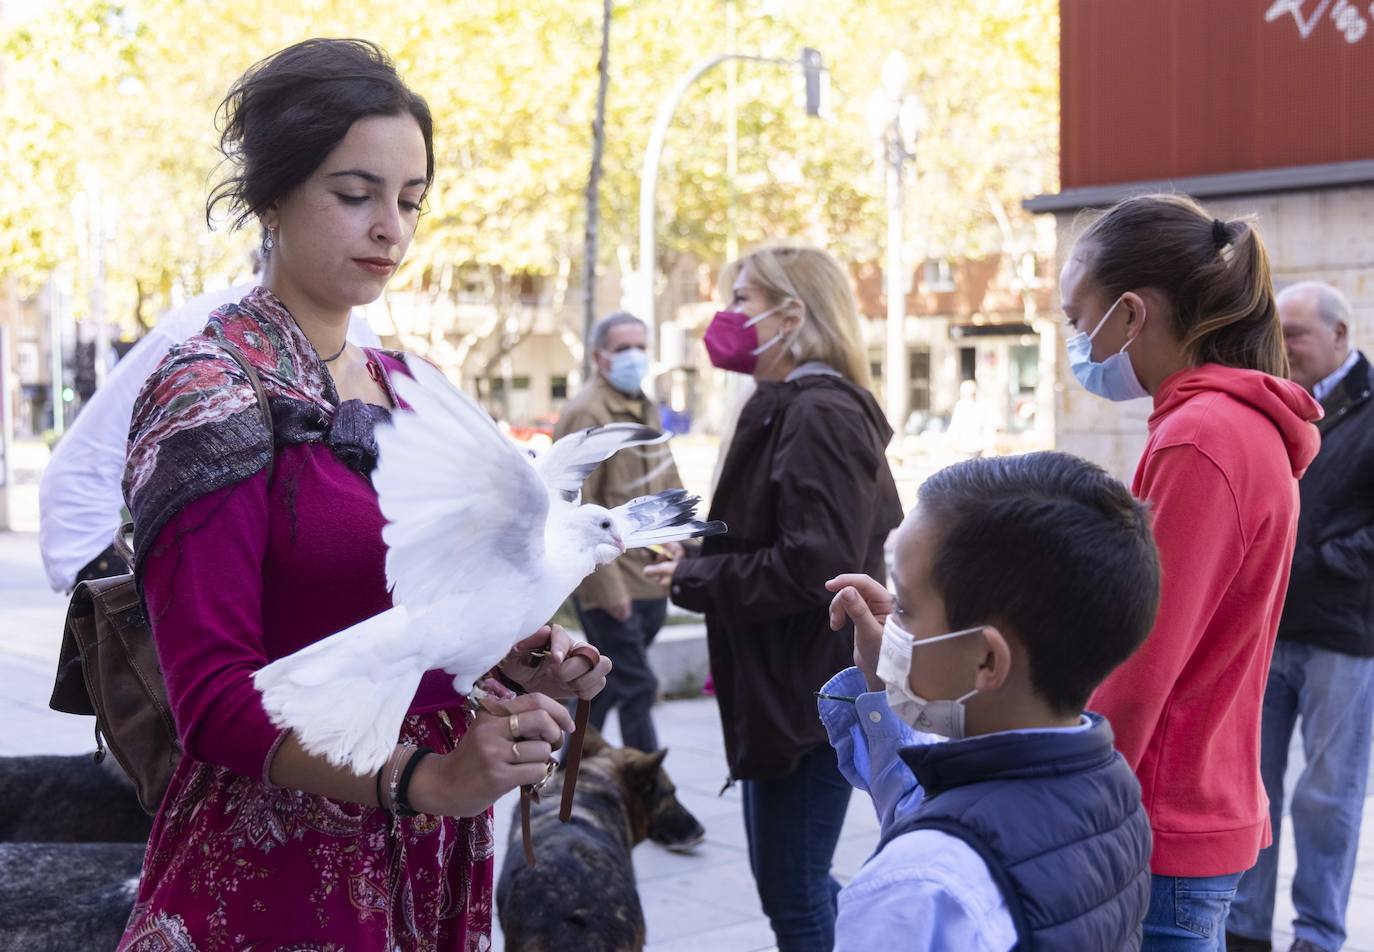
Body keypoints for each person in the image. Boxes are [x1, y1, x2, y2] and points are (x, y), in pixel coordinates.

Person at [115, 39, 610, 951]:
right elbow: (213, 699)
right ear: (273, 195)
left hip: (434, 851)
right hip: (275, 873)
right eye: (356, 195)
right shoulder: (210, 388)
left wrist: (512, 655)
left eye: (411, 201)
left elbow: (414, 614)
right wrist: (427, 778)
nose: (393, 228)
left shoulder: (408, 382)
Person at [1059, 194, 1321, 949]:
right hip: (1191, 806)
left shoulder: (1201, 437)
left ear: (1132, 314)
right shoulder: (1226, 425)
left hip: (1163, 818)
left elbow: (1143, 661)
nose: (1077, 340)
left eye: (1080, 320)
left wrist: (1060, 803)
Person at [645, 244, 903, 952]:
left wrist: (692, 580)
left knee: (793, 896)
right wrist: (697, 558)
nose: (728, 317)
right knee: (792, 886)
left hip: (805, 695)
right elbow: (784, 536)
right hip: (783, 691)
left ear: (794, 315)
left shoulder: (818, 412)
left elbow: (814, 567)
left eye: (744, 300)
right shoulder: (791, 405)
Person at [822, 451, 1159, 951]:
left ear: (986, 660)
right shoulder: (1109, 782)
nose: (892, 626)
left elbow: (935, 845)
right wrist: (883, 686)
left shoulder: (920, 885)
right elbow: (934, 810)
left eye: (907, 610)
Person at [37, 281, 380, 593]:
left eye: (409, 208)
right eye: (351, 206)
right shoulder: (197, 334)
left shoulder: (370, 349)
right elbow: (79, 469)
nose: (389, 230)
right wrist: (131, 595)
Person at [1228, 282, 1374, 952]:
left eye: (1296, 333)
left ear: (1341, 336)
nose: (1282, 346)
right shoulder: (1276, 405)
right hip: (1266, 628)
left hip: (1343, 636)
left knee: (1326, 797)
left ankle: (1317, 934)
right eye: (1277, 331)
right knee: (1248, 786)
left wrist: (1309, 557)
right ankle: (1246, 926)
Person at [554, 312, 681, 757]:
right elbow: (572, 510)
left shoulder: (643, 404)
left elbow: (666, 476)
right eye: (624, 347)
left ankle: (571, 774)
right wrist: (605, 589)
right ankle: (651, 795)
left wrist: (681, 540)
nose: (635, 357)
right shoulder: (588, 412)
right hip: (610, 581)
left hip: (649, 573)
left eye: (641, 346)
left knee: (604, 687)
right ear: (599, 357)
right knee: (638, 685)